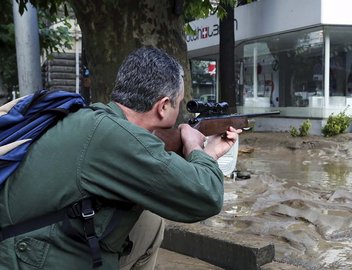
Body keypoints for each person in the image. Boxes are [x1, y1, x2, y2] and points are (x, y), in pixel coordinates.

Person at [0, 47, 241, 269]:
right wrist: (201, 150)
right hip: (26, 256)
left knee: (148, 223)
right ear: (164, 106)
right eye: (178, 104)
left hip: (30, 239)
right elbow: (206, 196)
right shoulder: (115, 138)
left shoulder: (95, 119)